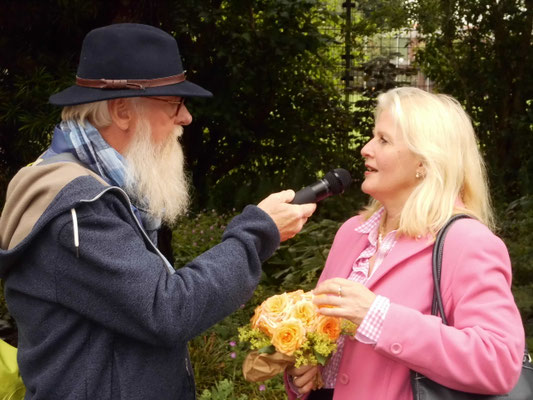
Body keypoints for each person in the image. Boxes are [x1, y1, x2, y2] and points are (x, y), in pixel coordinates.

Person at [0, 23, 316, 400]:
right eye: (174, 104)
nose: (186, 118)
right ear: (121, 111)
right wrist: (258, 233)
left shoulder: (95, 186)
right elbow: (168, 309)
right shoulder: (79, 211)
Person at [286, 87, 525, 399]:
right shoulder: (352, 232)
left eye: (383, 140)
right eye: (373, 136)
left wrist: (377, 316)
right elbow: (323, 335)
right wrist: (307, 366)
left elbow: (499, 363)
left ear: (423, 163)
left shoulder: (467, 241)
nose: (365, 148)